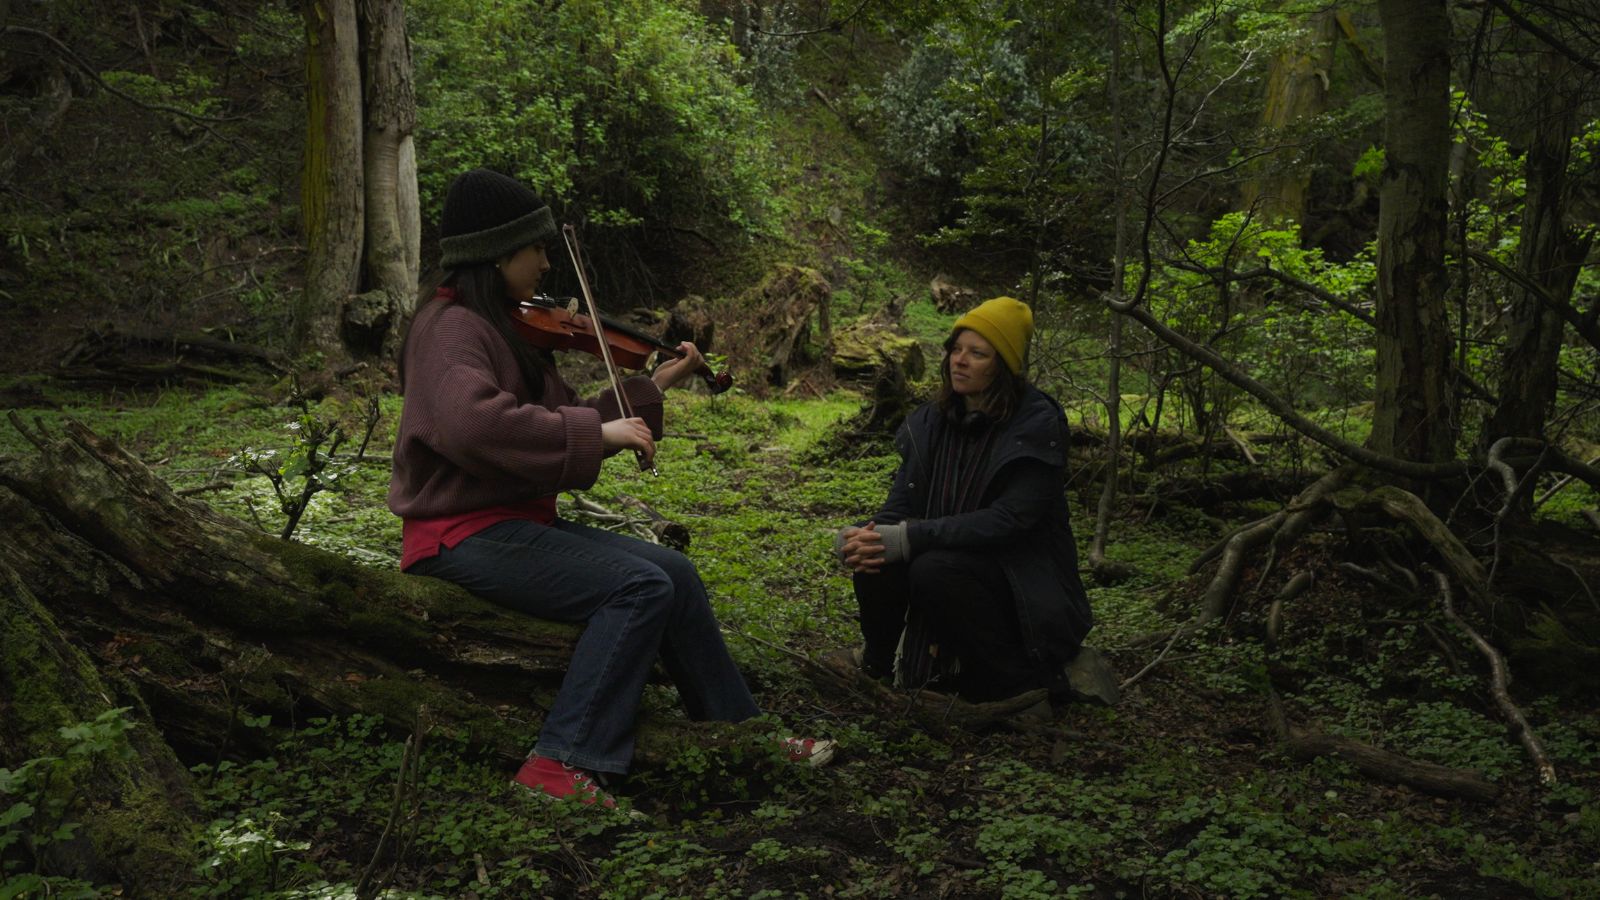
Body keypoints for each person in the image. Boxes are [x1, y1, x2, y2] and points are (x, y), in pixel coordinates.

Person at [389, 168, 833, 811]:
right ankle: (558, 762)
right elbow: (475, 424)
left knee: (672, 572)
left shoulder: (496, 324)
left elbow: (567, 414)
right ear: (496, 253)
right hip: (458, 534)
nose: (546, 262)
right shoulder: (450, 329)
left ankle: (744, 736)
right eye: (535, 249)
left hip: (509, 522)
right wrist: (598, 435)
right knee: (638, 585)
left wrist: (659, 382)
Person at [836, 296, 1092, 708]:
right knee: (879, 557)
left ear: (1004, 365)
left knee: (934, 568)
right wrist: (864, 537)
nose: (961, 361)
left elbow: (1010, 519)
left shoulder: (1037, 424)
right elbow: (903, 500)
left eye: (978, 353)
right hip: (948, 557)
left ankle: (1009, 684)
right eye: (956, 349)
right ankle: (881, 665)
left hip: (1018, 577)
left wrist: (913, 536)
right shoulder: (933, 420)